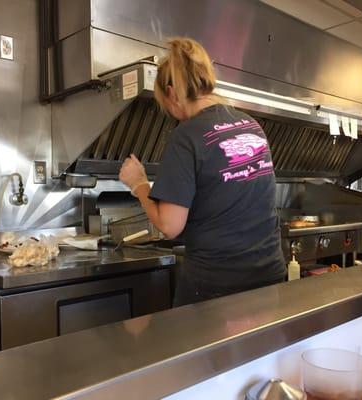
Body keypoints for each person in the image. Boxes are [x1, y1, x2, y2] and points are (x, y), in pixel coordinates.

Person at [119, 37, 286, 306]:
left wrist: (139, 184)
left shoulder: (187, 136)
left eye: (166, 105)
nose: (172, 113)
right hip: (269, 276)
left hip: (218, 287)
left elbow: (170, 226)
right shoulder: (251, 125)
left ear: (173, 93)